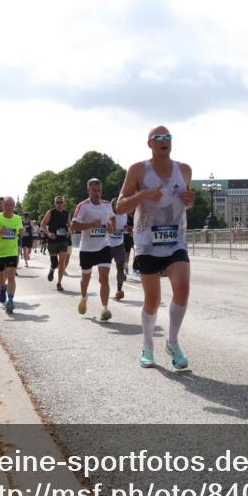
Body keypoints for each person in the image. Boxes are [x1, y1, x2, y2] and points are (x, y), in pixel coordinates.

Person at [117, 125, 195, 369]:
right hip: (147, 242)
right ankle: (148, 345)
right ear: (150, 143)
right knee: (153, 299)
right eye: (159, 138)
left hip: (176, 240)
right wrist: (142, 196)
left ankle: (172, 341)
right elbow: (120, 207)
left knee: (182, 289)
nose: (165, 141)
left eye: (168, 137)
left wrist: (190, 201)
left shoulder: (184, 170)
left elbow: (186, 200)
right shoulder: (138, 170)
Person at [71, 179, 115, 321]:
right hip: (87, 249)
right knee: (86, 279)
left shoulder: (107, 205)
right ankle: (84, 297)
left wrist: (111, 227)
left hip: (104, 246)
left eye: (99, 190)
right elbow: (73, 226)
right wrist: (90, 225)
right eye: (94, 190)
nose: (97, 193)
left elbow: (112, 219)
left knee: (104, 278)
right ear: (88, 190)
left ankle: (104, 308)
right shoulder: (83, 206)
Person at [40, 196, 71, 290]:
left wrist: (71, 231)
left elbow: (70, 225)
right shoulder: (50, 212)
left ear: (64, 203)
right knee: (55, 263)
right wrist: (48, 233)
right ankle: (52, 269)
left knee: (62, 262)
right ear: (55, 203)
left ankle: (59, 282)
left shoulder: (66, 213)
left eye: (61, 202)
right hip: (52, 240)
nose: (59, 204)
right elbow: (42, 224)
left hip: (63, 240)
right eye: (57, 202)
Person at [108, 198, 129, 301]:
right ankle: (104, 286)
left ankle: (119, 290)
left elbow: (124, 226)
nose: (118, 206)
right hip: (107, 245)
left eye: (119, 204)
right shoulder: (109, 215)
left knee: (120, 268)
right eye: (116, 204)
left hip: (119, 244)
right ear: (112, 206)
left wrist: (129, 229)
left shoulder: (124, 215)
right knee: (104, 270)